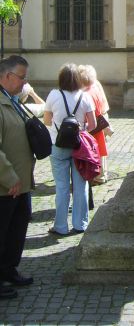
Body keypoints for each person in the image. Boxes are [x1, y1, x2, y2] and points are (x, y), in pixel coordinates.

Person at [43, 64, 96, 236]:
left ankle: (60, 226)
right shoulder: (85, 97)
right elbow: (93, 124)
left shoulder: (53, 94)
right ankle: (80, 224)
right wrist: (80, 128)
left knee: (62, 187)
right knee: (81, 186)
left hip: (57, 145)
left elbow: (47, 121)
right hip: (79, 146)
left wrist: (61, 127)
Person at [0, 55, 34, 300]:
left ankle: (9, 269)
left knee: (16, 229)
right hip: (6, 185)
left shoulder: (12, 100)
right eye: (22, 77)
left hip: (21, 183)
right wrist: (9, 176)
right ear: (7, 76)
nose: (25, 83)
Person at [78, 65, 111, 184]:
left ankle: (98, 176)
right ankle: (102, 174)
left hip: (96, 123)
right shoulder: (96, 85)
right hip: (102, 118)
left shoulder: (87, 93)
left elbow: (91, 112)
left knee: (97, 148)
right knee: (101, 148)